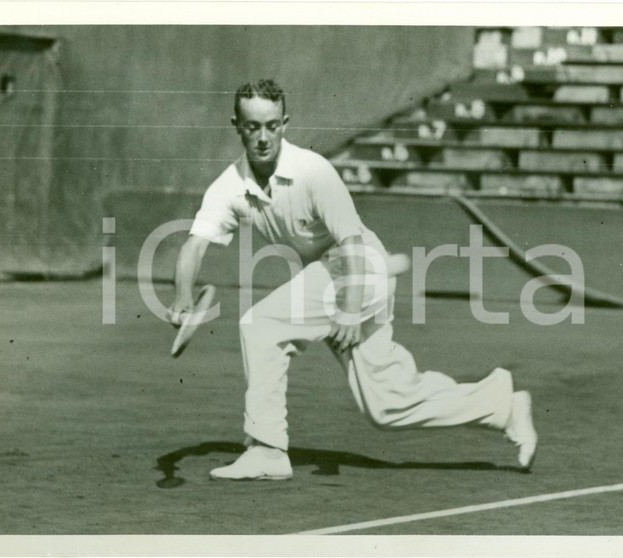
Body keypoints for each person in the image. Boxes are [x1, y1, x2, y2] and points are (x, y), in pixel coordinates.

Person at [167, 79, 537, 481]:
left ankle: (268, 450)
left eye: (271, 125)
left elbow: (352, 243)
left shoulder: (314, 172)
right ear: (236, 125)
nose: (262, 137)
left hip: (358, 271)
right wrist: (183, 297)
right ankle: (501, 405)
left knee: (260, 326)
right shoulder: (228, 186)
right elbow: (194, 245)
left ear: (285, 123)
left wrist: (348, 307)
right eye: (252, 126)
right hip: (332, 279)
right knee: (388, 404)